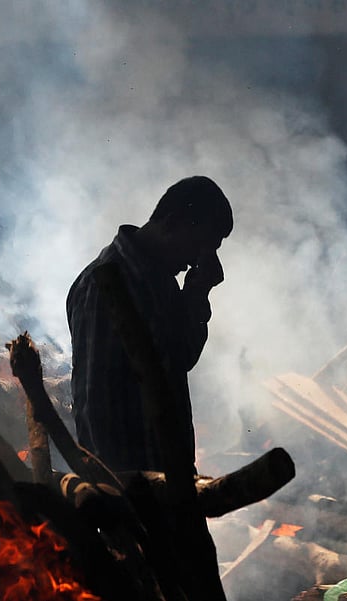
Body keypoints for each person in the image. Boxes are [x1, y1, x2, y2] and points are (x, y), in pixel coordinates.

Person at [66, 175, 233, 474]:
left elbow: (180, 357)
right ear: (171, 223)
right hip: (135, 490)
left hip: (168, 477)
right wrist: (122, 496)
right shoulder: (104, 283)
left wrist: (197, 293)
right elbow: (96, 405)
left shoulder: (160, 280)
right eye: (198, 246)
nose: (197, 261)